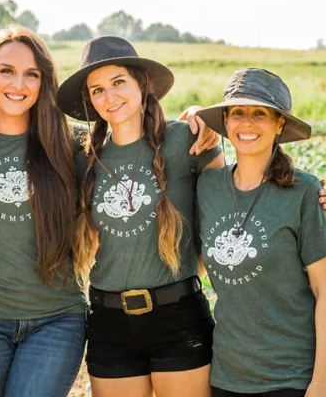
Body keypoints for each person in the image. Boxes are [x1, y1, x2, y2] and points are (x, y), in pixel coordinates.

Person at [57, 36, 226, 397]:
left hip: (178, 315)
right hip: (109, 321)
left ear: (143, 84)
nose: (109, 97)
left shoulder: (185, 141)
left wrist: (307, 193)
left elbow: (233, 196)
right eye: (97, 90)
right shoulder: (83, 157)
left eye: (119, 82)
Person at [0, 26, 86, 397]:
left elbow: (130, 152)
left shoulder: (68, 143)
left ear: (44, 82)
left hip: (56, 319)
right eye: (6, 70)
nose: (19, 83)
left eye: (32, 74)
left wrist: (190, 124)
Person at [195, 68, 326, 397]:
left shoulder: (304, 192)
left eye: (259, 114)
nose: (246, 123)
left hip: (290, 378)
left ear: (279, 125)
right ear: (226, 123)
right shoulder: (208, 186)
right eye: (237, 113)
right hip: (226, 375)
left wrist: (323, 381)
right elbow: (196, 262)